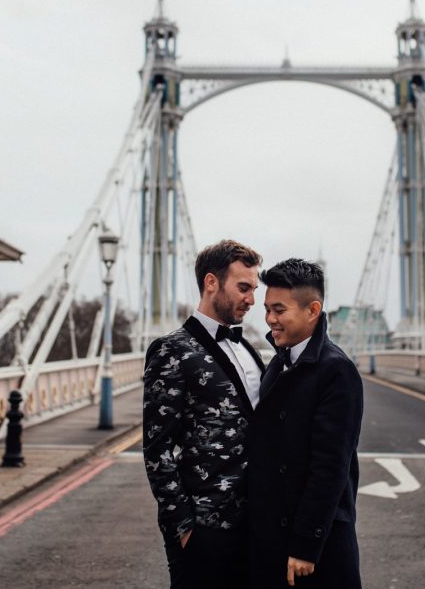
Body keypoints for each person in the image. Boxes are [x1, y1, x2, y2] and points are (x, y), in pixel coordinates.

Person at [143, 239, 265, 589]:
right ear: (212, 282)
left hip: (255, 524)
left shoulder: (249, 349)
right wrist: (183, 526)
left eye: (253, 289)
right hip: (203, 527)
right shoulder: (171, 350)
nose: (251, 299)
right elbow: (157, 448)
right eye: (243, 287)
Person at [248, 258, 364, 588]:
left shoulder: (336, 371)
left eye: (279, 310)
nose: (270, 319)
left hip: (314, 549)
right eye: (268, 309)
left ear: (312, 310)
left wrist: (305, 546)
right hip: (273, 538)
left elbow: (330, 468)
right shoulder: (279, 363)